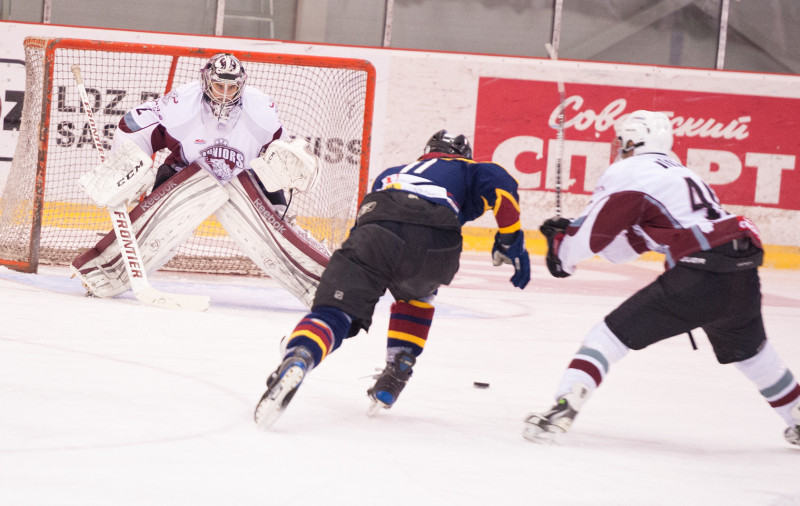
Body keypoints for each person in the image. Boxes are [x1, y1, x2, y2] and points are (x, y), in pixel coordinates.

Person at [525, 110, 800, 447]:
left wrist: (563, 252)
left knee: (608, 337)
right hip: (740, 271)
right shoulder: (680, 173)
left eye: (620, 142)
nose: (617, 148)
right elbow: (628, 244)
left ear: (630, 142)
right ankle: (796, 413)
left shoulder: (629, 170)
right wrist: (570, 236)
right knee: (752, 354)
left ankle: (565, 402)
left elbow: (595, 230)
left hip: (700, 271)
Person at [254, 129, 531, 429]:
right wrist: (510, 238)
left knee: (335, 313)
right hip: (437, 242)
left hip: (377, 229)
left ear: (426, 151)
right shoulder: (469, 168)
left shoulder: (391, 173)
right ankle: (397, 371)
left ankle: (300, 356)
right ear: (463, 155)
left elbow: (367, 220)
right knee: (417, 294)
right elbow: (502, 184)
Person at [71, 53, 327, 307]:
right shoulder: (181, 103)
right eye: (219, 85)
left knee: (277, 233)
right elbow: (131, 126)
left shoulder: (261, 108)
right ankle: (101, 272)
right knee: (158, 227)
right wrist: (125, 167)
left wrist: (288, 164)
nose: (225, 93)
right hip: (187, 172)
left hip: (245, 179)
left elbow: (280, 149)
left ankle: (327, 283)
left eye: (232, 87)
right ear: (206, 82)